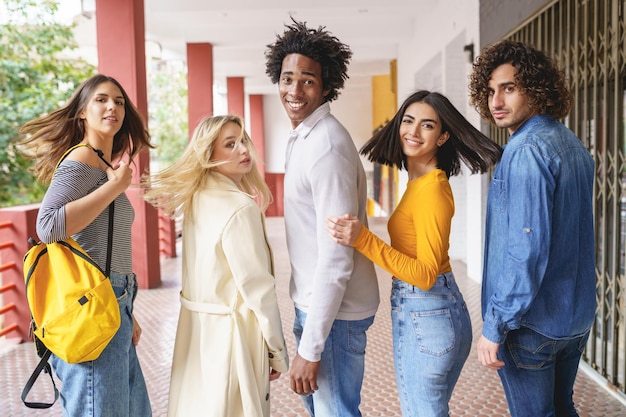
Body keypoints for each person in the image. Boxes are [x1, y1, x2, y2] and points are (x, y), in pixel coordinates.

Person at [326, 90, 502, 416]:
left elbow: (423, 275)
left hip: (427, 314)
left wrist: (364, 239)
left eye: (427, 126)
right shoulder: (419, 184)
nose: (414, 131)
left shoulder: (432, 188)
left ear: (443, 136)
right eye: (408, 121)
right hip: (438, 314)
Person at [468, 40, 596, 417]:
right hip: (574, 317)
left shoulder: (526, 150)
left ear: (537, 90)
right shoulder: (571, 144)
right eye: (490, 90)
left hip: (531, 324)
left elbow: (526, 248)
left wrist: (496, 324)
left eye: (508, 88)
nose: (496, 100)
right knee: (562, 407)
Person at [18, 74, 152, 416]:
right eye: (102, 100)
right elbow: (47, 226)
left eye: (119, 102)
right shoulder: (82, 160)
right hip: (90, 307)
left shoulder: (104, 165)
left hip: (112, 302)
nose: (113, 107)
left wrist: (126, 310)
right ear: (82, 112)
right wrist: (114, 187)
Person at [264, 19, 380, 416]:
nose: (294, 90)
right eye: (287, 78)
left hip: (334, 315)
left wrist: (312, 346)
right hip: (317, 308)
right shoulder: (304, 137)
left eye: (308, 81)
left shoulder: (326, 146)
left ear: (327, 85)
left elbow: (336, 254)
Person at [142, 115, 289, 417]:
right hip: (232, 338)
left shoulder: (197, 199)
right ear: (209, 155)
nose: (243, 150)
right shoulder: (240, 207)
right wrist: (275, 352)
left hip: (196, 333)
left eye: (243, 140)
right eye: (230, 144)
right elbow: (258, 290)